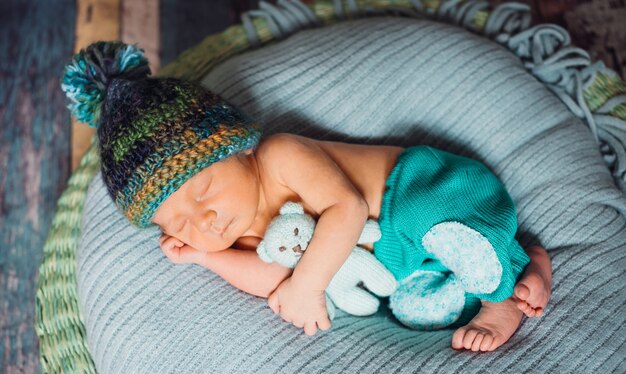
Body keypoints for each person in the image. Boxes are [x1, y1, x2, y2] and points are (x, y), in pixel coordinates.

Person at [62, 41, 552, 352]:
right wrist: (202, 259)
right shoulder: (237, 233)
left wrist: (306, 287)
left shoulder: (279, 157)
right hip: (403, 260)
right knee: (416, 311)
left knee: (436, 222)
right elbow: (268, 276)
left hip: (420, 189)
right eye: (177, 223)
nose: (204, 220)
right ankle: (524, 259)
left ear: (236, 147)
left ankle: (503, 294)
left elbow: (348, 208)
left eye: (203, 189)